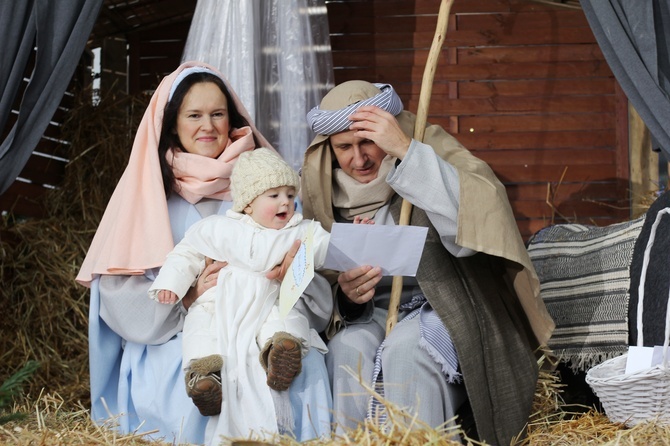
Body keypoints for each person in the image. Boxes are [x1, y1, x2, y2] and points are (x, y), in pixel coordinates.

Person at [76, 62, 333, 445]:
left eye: (218, 114)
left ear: (232, 120)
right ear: (171, 123)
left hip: (261, 318)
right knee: (189, 380)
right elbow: (118, 301)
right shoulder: (147, 196)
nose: (208, 126)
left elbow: (306, 262)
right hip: (177, 333)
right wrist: (187, 295)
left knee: (303, 364)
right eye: (194, 115)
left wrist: (288, 276)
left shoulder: (266, 188)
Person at [301, 81, 555, 445]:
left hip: (446, 303)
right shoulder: (320, 187)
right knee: (346, 353)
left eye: (368, 141)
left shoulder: (425, 146)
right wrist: (347, 297)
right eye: (344, 147)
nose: (359, 160)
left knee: (407, 352)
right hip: (372, 312)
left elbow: (479, 217)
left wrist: (408, 153)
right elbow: (318, 278)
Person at [148, 147, 331, 438]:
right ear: (247, 205)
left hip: (268, 296)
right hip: (220, 300)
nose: (285, 202)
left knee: (285, 317)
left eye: (289, 194)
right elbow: (187, 253)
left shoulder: (300, 230)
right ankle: (205, 376)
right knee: (201, 325)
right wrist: (171, 283)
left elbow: (326, 249)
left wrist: (353, 242)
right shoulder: (220, 228)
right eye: (273, 196)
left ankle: (281, 353)